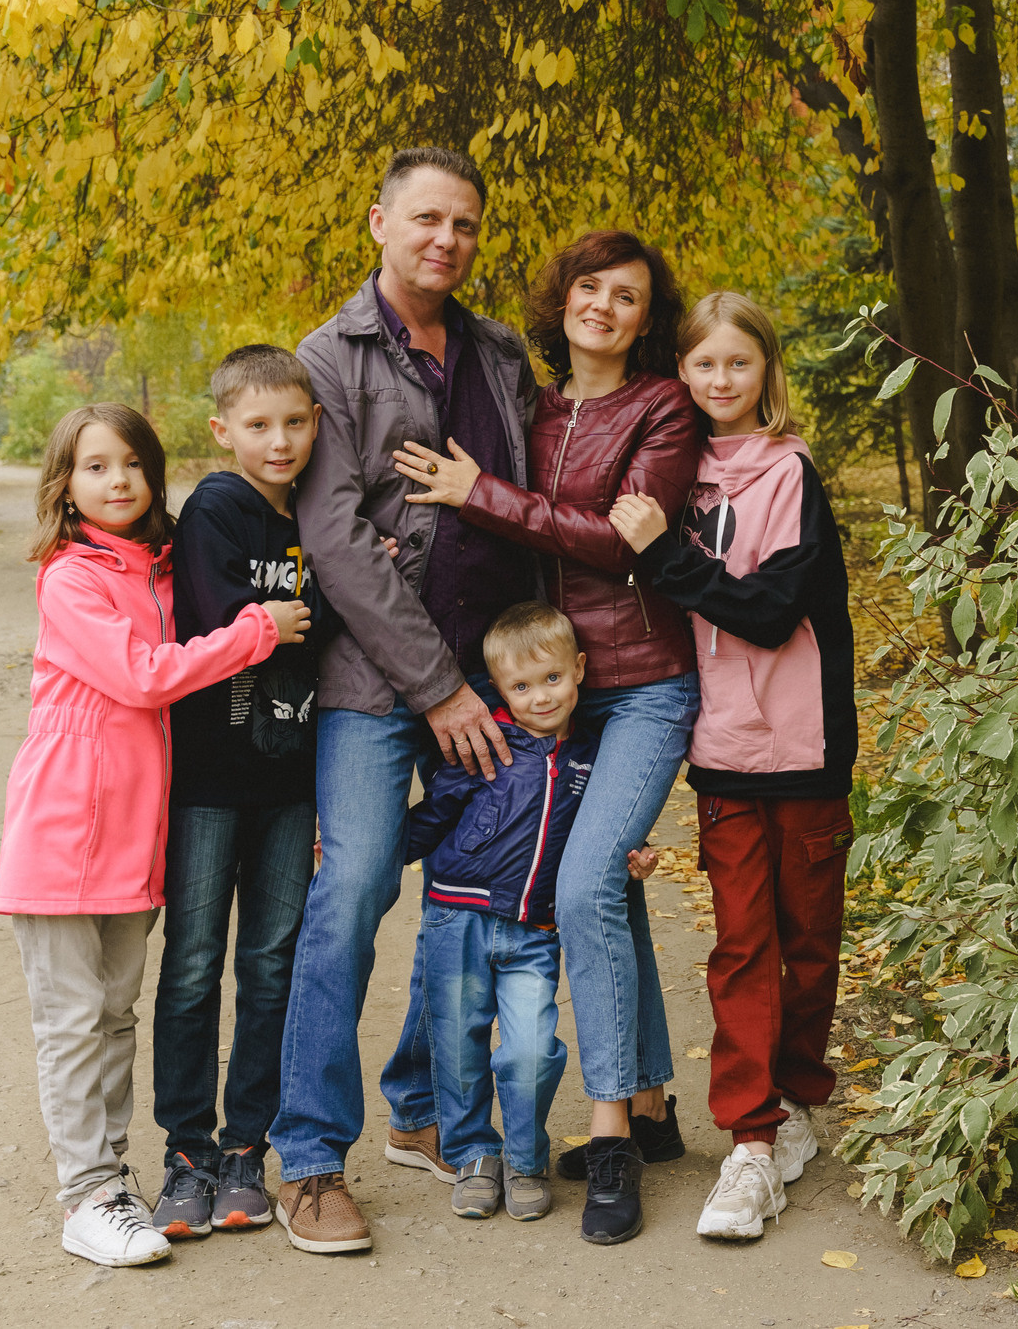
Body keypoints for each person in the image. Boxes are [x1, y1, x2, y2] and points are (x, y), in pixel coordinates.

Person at [393, 228, 704, 1245]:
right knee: (605, 884)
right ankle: (652, 1109)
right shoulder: (532, 407)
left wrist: (481, 492)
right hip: (549, 688)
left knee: (576, 886)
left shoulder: (661, 407)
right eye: (588, 288)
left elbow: (623, 543)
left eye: (627, 296)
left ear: (646, 319)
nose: (603, 306)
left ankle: (608, 1133)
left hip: (643, 681)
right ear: (560, 298)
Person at [269, 145, 541, 1257]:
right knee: (357, 890)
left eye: (465, 225)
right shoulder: (328, 358)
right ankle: (310, 1160)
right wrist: (434, 690)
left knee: (474, 891)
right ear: (379, 221)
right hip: (380, 686)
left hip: (497, 671)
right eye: (426, 219)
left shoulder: (501, 352)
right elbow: (332, 534)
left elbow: (527, 500)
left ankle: (423, 1110)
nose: (446, 240)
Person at [0, 403, 312, 1269]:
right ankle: (86, 1196)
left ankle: (112, 1178)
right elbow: (142, 676)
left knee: (116, 1015)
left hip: (135, 836)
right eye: (95, 467)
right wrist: (256, 630)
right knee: (70, 1021)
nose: (118, 480)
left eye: (131, 463)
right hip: (64, 831)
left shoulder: (161, 569)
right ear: (65, 485)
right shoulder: (71, 578)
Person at [607, 292, 858, 1243]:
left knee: (808, 943)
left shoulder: (791, 471)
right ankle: (750, 1139)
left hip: (803, 748)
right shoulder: (673, 473)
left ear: (766, 373)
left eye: (737, 366)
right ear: (681, 373)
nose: (719, 382)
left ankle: (795, 1099)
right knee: (743, 944)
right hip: (721, 749)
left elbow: (767, 609)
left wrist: (663, 556)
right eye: (702, 366)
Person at [148, 347, 338, 1241]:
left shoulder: (319, 513)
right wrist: (285, 622)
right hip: (209, 783)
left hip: (290, 777)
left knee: (270, 964)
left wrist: (303, 617)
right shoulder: (218, 509)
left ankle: (245, 1151)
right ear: (223, 431)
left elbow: (342, 617)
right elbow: (220, 620)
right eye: (259, 425)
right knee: (192, 965)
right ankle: (185, 1152)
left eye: (295, 422)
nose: (280, 440)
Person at [397, 602, 667, 1223]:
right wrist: (371, 845)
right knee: (458, 1045)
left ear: (579, 669)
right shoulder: (482, 744)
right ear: (500, 690)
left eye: (552, 679)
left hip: (533, 932)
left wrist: (636, 858)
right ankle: (472, 1155)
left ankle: (525, 1158)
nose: (540, 698)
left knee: (531, 1050)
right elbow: (431, 817)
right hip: (456, 919)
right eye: (521, 686)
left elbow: (607, 833)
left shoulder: (594, 758)